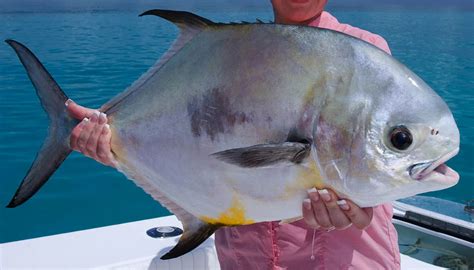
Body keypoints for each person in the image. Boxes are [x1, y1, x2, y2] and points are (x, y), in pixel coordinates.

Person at [66, 0, 401, 269]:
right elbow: (194, 148)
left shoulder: (364, 55)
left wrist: (362, 209)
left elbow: (380, 162)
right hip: (245, 259)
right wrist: (118, 146)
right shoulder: (226, 53)